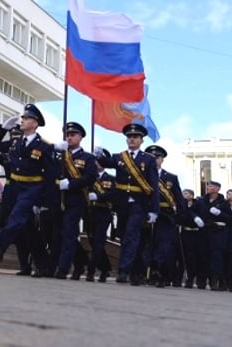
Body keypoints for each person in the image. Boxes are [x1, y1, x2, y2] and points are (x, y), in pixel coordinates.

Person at [0, 104, 56, 278]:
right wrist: (2, 129)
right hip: (14, 189)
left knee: (17, 218)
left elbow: (51, 176)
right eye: (23, 117)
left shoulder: (45, 146)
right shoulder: (17, 142)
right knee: (27, 230)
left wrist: (45, 202)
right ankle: (43, 265)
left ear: (35, 123)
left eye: (26, 118)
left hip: (32, 189)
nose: (22, 120)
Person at [96, 123, 159, 286]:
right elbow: (106, 162)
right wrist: (97, 154)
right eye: (129, 137)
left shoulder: (148, 160)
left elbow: (153, 185)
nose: (131, 139)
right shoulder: (119, 157)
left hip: (139, 203)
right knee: (125, 237)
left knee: (131, 235)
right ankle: (136, 271)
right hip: (122, 203)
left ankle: (124, 271)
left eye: (135, 137)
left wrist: (154, 209)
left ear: (141, 140)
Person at [52, 121, 97, 280]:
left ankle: (62, 269)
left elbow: (91, 177)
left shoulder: (87, 158)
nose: (69, 137)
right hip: (58, 199)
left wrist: (71, 184)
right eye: (67, 135)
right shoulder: (59, 154)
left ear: (80, 137)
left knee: (69, 233)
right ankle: (80, 260)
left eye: (73, 135)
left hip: (76, 199)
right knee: (58, 233)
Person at [145, 145, 185, 288]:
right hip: (146, 213)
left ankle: (160, 271)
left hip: (166, 215)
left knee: (164, 245)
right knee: (148, 245)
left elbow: (179, 198)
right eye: (151, 157)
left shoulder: (171, 178)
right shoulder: (141, 175)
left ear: (162, 160)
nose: (154, 160)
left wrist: (180, 217)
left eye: (157, 157)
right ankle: (145, 273)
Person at [86, 147, 115, 282]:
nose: (94, 163)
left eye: (97, 160)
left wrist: (99, 197)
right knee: (93, 242)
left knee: (98, 242)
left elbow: (114, 195)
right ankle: (105, 268)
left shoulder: (111, 179)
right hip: (89, 212)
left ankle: (91, 271)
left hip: (104, 212)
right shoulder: (88, 176)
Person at [198, 180, 232, 291]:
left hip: (218, 232)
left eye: (211, 186)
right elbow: (193, 210)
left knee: (216, 257)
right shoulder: (202, 200)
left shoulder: (224, 203)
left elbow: (231, 219)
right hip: (205, 231)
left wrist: (220, 214)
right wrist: (195, 218)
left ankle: (216, 280)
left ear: (217, 189)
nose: (208, 187)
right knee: (203, 256)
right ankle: (202, 281)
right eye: (208, 186)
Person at [179, 188, 206, 288]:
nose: (184, 195)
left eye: (186, 193)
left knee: (196, 257)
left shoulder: (198, 204)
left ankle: (195, 279)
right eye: (183, 193)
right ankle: (185, 279)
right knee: (185, 256)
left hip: (196, 233)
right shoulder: (181, 204)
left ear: (191, 195)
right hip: (185, 232)